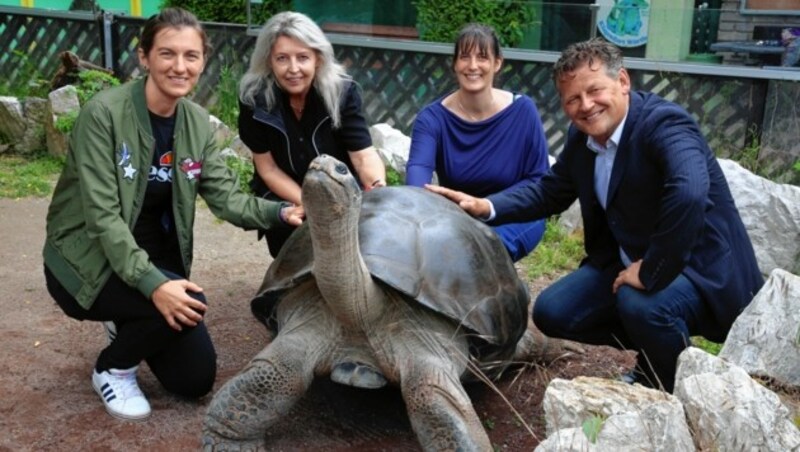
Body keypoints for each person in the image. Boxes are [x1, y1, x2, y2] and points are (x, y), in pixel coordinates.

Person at [426, 38, 764, 393]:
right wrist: (487, 205)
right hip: (623, 263)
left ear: (623, 81)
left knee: (640, 304)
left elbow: (690, 193)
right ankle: (663, 349)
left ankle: (671, 382)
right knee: (553, 311)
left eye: (594, 91)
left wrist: (651, 271)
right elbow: (549, 191)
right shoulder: (582, 137)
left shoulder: (665, 124)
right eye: (572, 99)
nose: (585, 106)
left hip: (699, 268)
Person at [43, 7, 303, 421]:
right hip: (87, 260)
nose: (180, 66)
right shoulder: (104, 115)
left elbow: (229, 200)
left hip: (152, 258)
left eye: (191, 56)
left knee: (194, 380)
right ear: (144, 57)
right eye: (167, 54)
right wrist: (153, 286)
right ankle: (112, 366)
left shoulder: (197, 124)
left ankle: (130, 316)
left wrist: (284, 211)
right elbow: (104, 219)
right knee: (187, 299)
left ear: (202, 62)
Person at [238, 11, 386, 256]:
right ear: (269, 61)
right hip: (282, 190)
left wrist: (377, 189)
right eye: (282, 58)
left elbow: (362, 156)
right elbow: (268, 169)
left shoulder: (343, 92)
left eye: (303, 57)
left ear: (318, 58)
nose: (293, 69)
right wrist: (310, 204)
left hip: (339, 188)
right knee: (293, 239)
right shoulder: (253, 98)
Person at [406, 23, 549, 262]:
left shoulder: (523, 110)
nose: (473, 66)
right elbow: (416, 181)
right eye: (464, 57)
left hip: (517, 212)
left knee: (479, 255)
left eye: (482, 57)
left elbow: (538, 181)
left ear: (497, 63)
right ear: (455, 64)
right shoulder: (432, 119)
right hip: (458, 216)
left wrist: (487, 205)